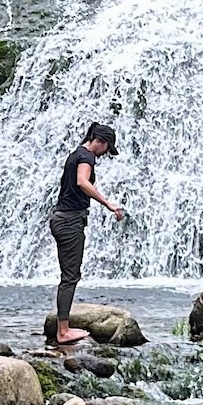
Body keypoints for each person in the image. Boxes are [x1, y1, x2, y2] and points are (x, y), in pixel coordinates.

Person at [49, 122, 125, 344]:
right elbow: (82, 181)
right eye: (107, 149)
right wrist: (108, 203)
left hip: (62, 219)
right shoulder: (87, 157)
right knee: (70, 277)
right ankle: (63, 332)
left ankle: (63, 327)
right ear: (100, 142)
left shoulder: (76, 154)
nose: (104, 155)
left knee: (68, 276)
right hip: (70, 221)